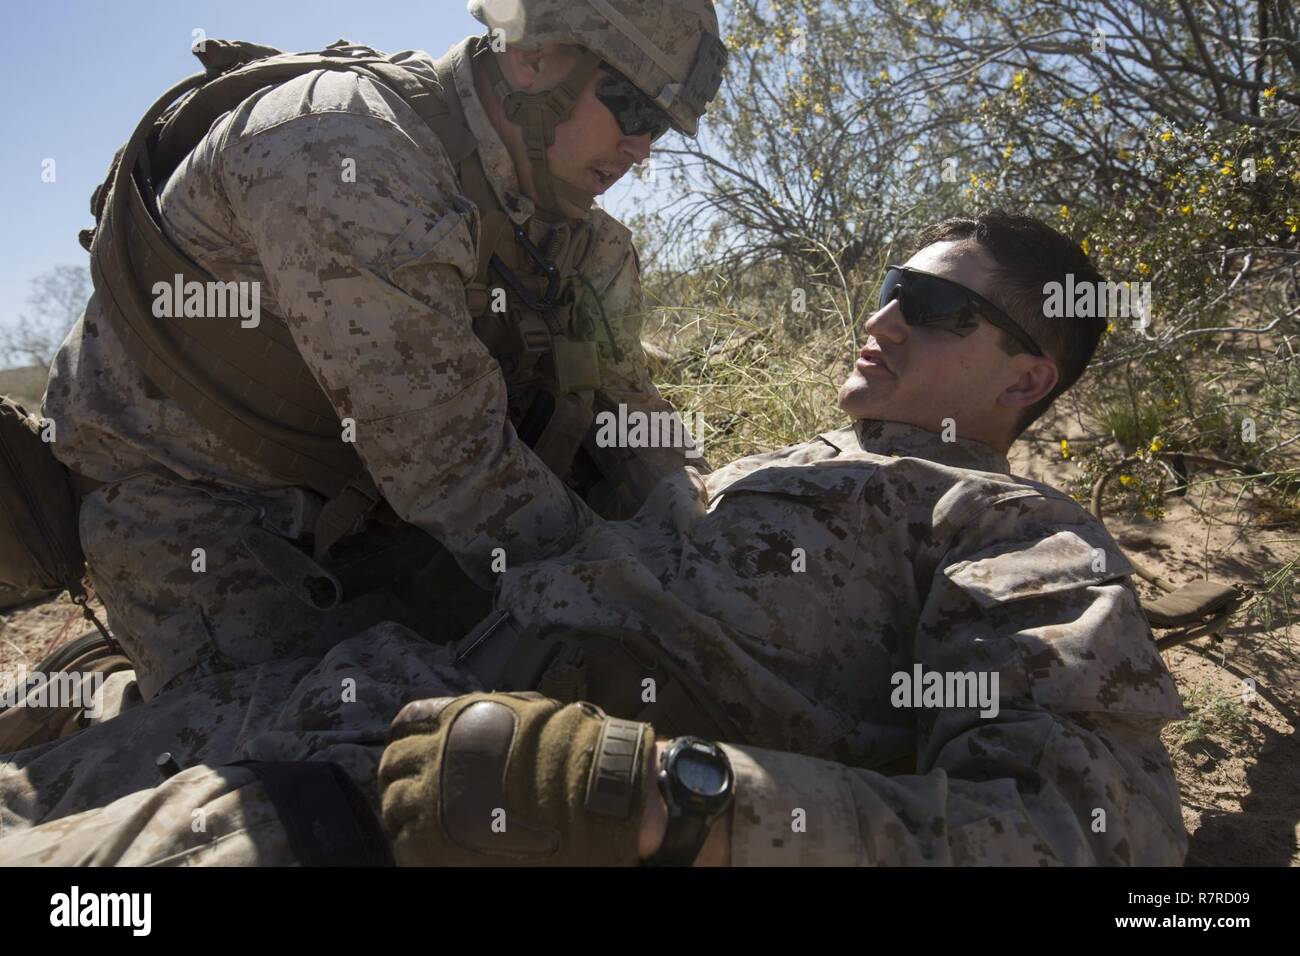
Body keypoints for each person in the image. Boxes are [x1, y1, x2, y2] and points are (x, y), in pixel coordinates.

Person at [0, 212, 1187, 866]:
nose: (882, 316)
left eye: (935, 308)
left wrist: (669, 798)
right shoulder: (756, 465)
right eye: (889, 283)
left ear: (1028, 374)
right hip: (305, 702)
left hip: (400, 810)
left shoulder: (1013, 527)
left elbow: (1090, 827)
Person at [38, 0, 726, 702]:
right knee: (366, 764)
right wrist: (650, 609)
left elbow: (635, 416)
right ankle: (89, 702)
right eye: (633, 109)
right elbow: (453, 467)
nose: (642, 150)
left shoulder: (587, 244)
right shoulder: (341, 153)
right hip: (203, 514)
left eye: (661, 131)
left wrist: (709, 537)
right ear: (536, 58)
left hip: (377, 511)